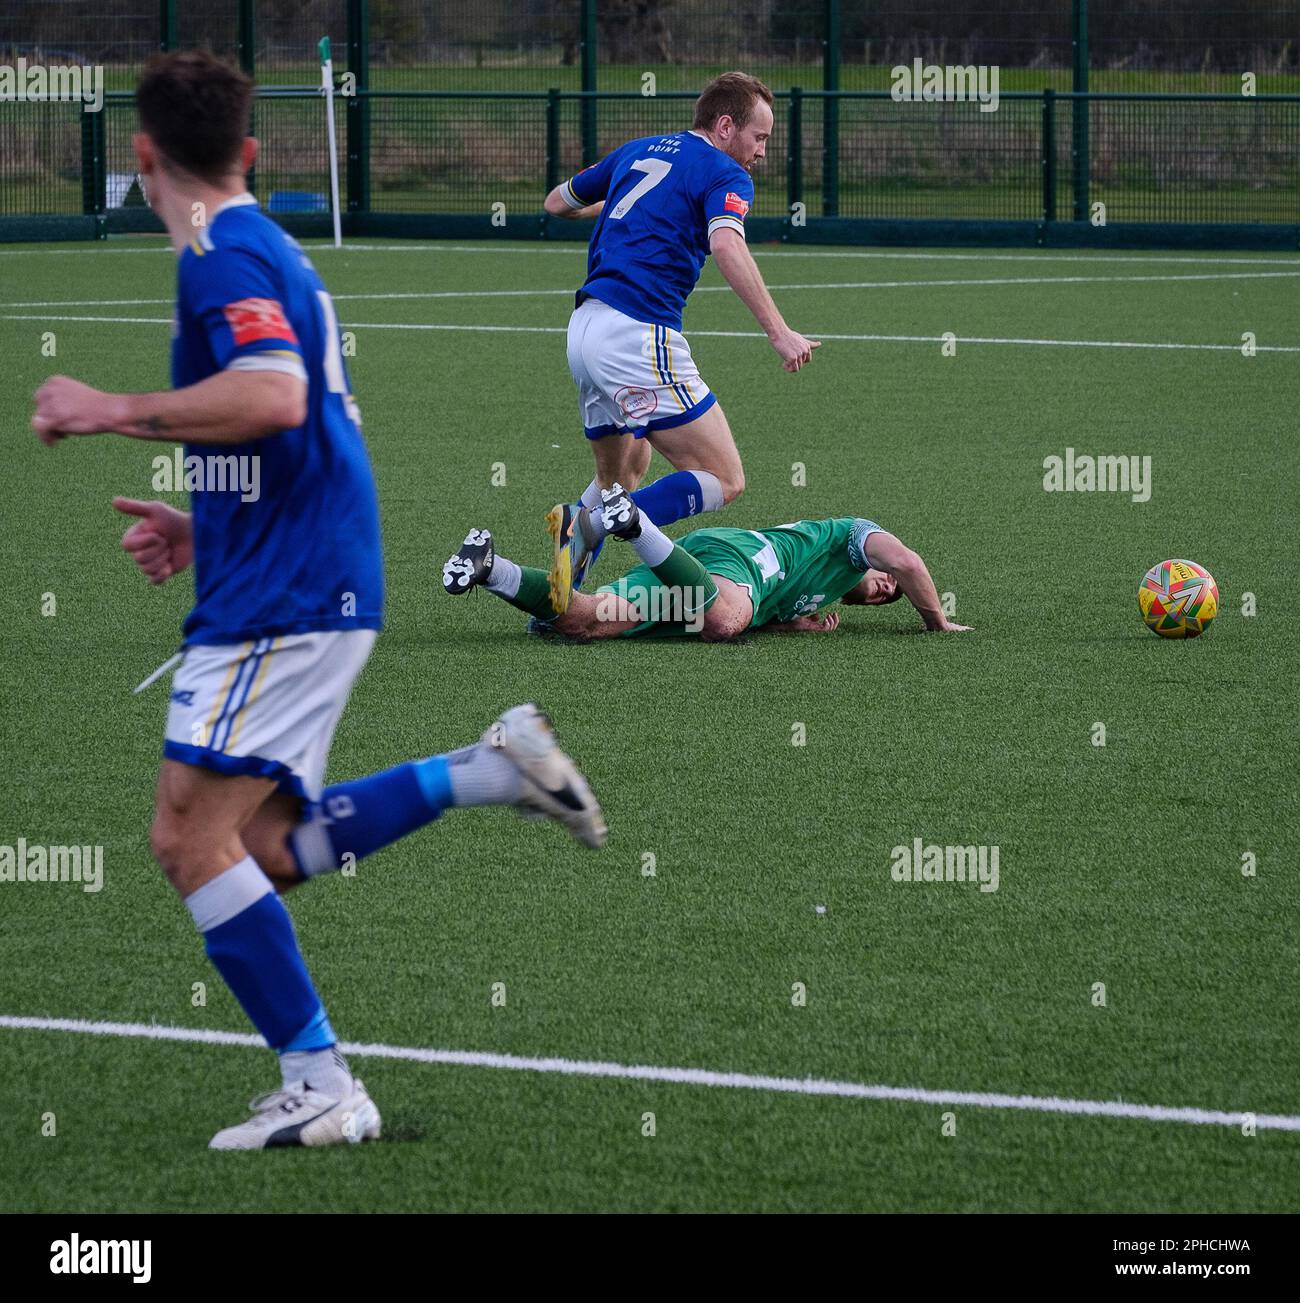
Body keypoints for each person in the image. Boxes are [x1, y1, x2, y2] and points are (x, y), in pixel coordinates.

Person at [31, 52, 605, 1151]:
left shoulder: (218, 249)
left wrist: (108, 406)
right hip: (302, 568)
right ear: (250, 152)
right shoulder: (264, 245)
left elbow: (275, 393)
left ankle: (322, 1083)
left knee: (187, 842)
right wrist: (211, 526)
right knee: (264, 848)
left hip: (287, 595)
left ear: (142, 155)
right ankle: (491, 768)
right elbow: (302, 423)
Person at [540, 71, 821, 611]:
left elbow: (557, 202)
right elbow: (727, 245)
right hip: (638, 332)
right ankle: (592, 526)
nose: (762, 152)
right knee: (725, 477)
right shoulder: (724, 174)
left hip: (583, 329)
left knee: (624, 470)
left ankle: (565, 594)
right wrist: (778, 332)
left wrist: (629, 204)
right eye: (758, 137)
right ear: (724, 127)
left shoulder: (638, 149)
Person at [444, 486, 973, 641]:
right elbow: (908, 560)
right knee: (723, 622)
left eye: (887, 599)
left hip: (702, 572)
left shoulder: (823, 593)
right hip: (738, 558)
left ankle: (489, 568)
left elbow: (768, 606)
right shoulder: (853, 538)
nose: (885, 588)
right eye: (887, 583)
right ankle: (634, 524)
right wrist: (936, 622)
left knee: (584, 622)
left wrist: (792, 623)